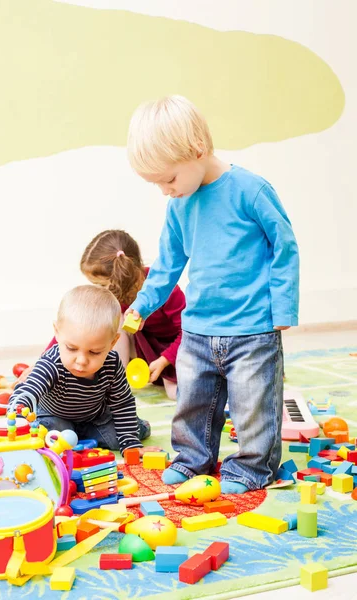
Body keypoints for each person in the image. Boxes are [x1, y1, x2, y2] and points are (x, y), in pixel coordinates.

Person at [125, 95, 300, 493]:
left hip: (252, 327)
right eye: (157, 184)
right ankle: (191, 460)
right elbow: (168, 264)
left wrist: (284, 304)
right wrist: (141, 306)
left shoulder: (250, 191)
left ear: (197, 151)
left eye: (168, 180)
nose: (165, 191)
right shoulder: (179, 205)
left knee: (253, 406)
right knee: (193, 403)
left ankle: (252, 468)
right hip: (199, 328)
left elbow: (284, 246)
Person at [9, 285, 160, 455]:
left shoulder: (112, 363)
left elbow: (122, 403)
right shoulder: (51, 363)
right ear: (57, 333)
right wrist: (18, 417)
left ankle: (132, 429)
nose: (81, 361)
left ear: (112, 343)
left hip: (94, 418)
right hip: (54, 416)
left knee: (122, 437)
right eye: (72, 348)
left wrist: (131, 444)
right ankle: (76, 436)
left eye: (94, 352)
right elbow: (29, 391)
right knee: (54, 435)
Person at [79, 230, 185, 400]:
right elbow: (77, 323)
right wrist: (44, 361)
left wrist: (165, 360)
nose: (98, 290)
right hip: (144, 347)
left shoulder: (165, 288)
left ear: (119, 278)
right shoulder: (115, 294)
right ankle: (116, 381)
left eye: (101, 285)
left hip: (176, 348)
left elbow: (189, 333)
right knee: (115, 317)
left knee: (175, 394)